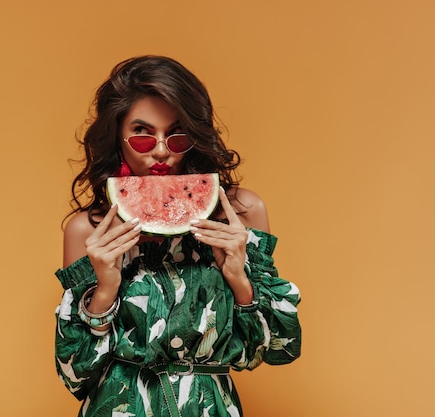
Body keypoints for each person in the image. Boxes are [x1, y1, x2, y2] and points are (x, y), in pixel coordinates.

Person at [55, 55, 301, 417]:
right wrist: (104, 290)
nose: (160, 151)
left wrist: (239, 277)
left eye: (177, 135)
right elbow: (74, 375)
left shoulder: (241, 213)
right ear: (117, 137)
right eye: (142, 135)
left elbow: (278, 348)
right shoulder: (87, 230)